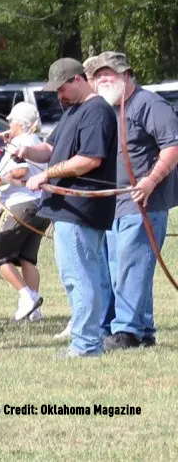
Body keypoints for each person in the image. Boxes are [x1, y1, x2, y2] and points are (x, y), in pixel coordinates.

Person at [20, 58, 117, 357]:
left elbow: (90, 159)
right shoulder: (73, 111)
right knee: (77, 275)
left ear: (78, 80)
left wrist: (47, 174)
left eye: (62, 88)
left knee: (79, 276)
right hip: (68, 209)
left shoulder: (97, 111)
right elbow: (50, 149)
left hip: (81, 208)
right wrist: (26, 151)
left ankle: (86, 344)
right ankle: (87, 341)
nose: (58, 96)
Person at [86, 51, 178, 350]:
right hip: (116, 204)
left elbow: (173, 147)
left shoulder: (150, 104)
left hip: (145, 203)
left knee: (130, 267)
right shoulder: (108, 109)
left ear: (126, 75)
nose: (102, 80)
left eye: (108, 74)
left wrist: (150, 181)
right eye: (98, 76)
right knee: (126, 268)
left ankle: (126, 332)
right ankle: (144, 330)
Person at [0, 102, 50, 322]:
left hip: (18, 205)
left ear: (20, 124)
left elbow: (21, 170)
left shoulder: (23, 142)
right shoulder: (34, 141)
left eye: (11, 122)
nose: (9, 125)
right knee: (26, 257)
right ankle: (34, 310)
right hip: (39, 205)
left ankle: (27, 297)